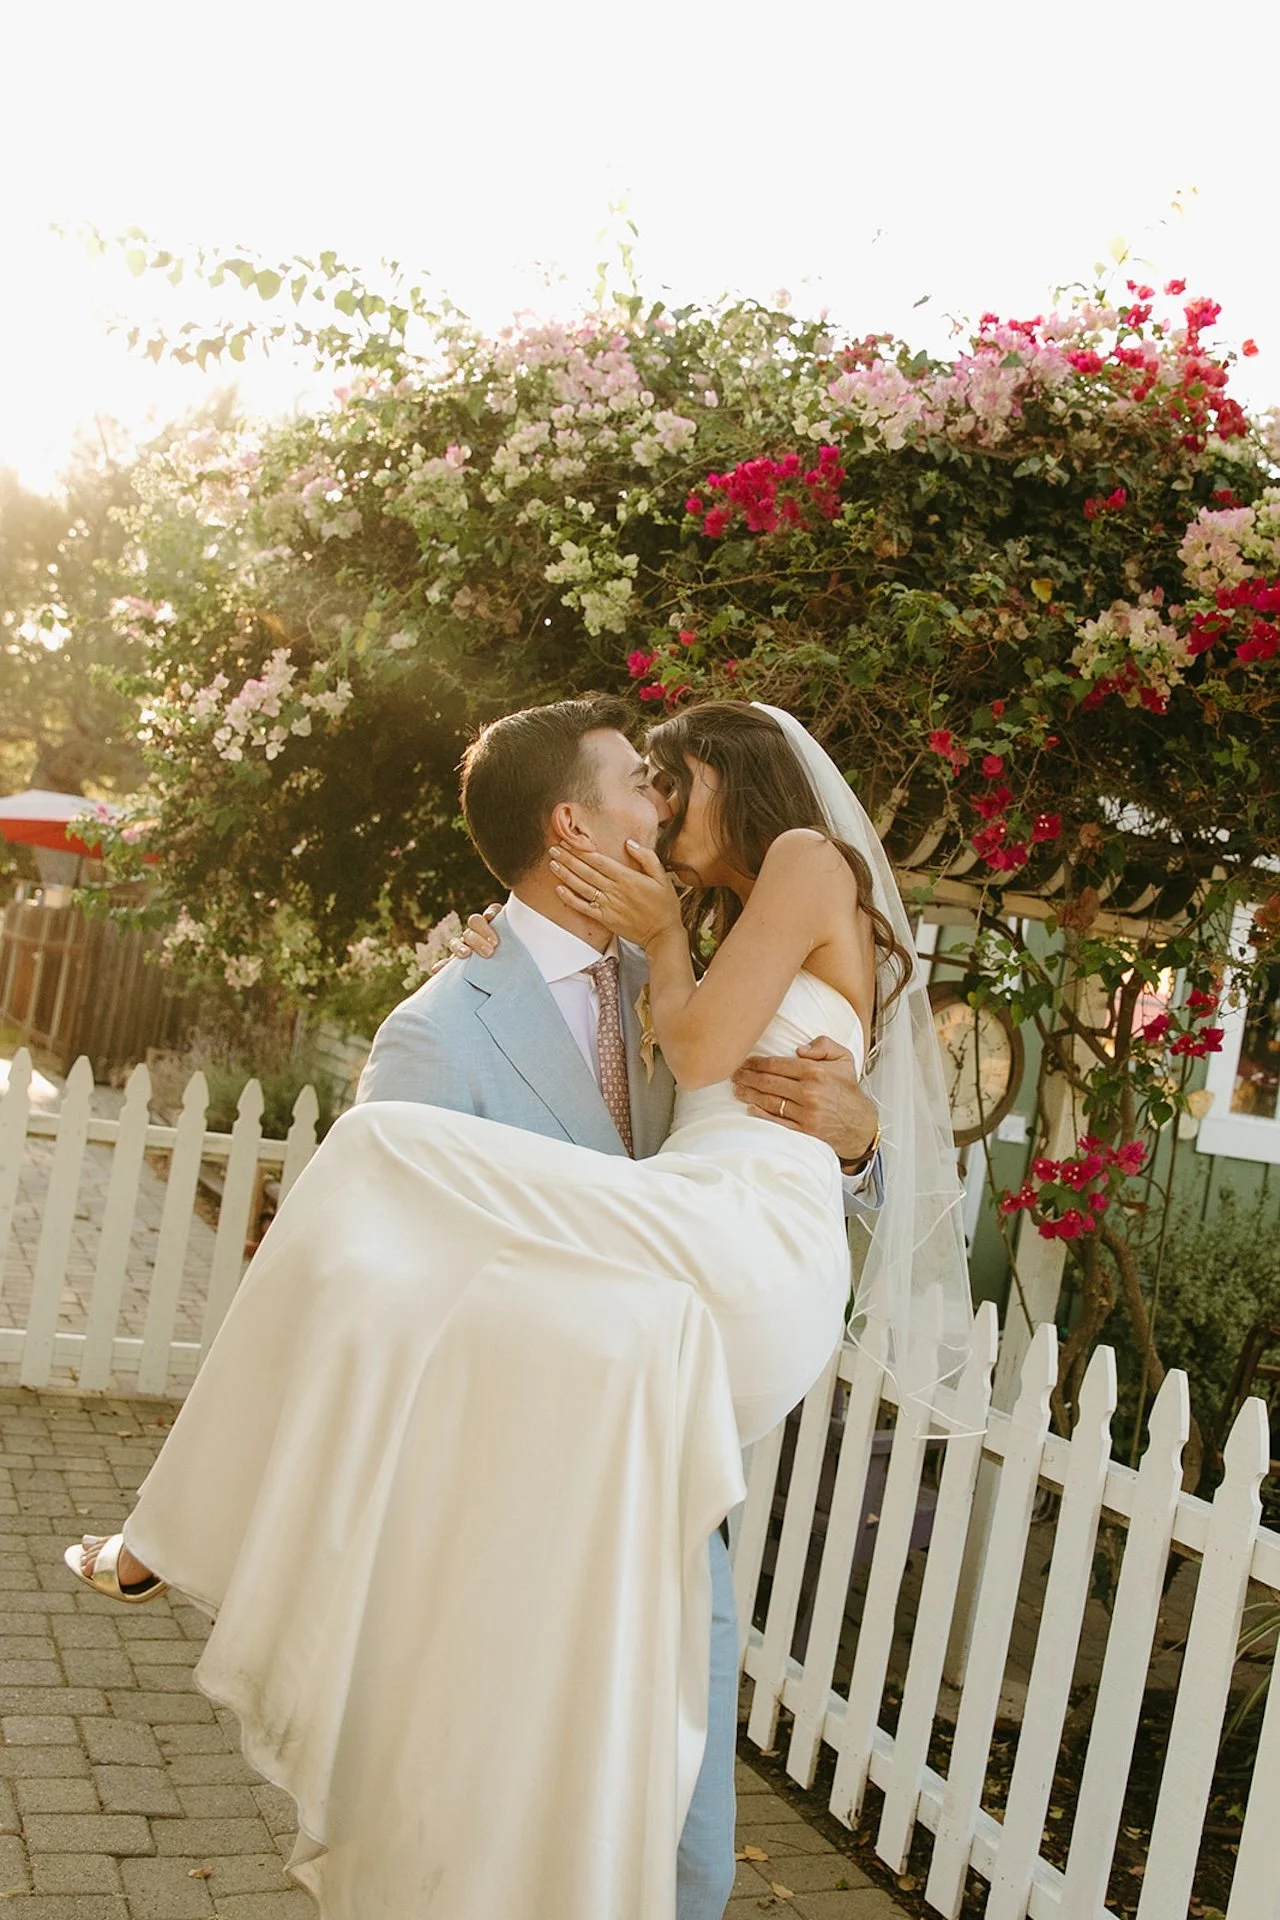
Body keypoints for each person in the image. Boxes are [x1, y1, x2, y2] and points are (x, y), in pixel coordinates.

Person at [64, 699, 970, 1920]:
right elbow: (389, 1298)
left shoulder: (721, 937)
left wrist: (855, 1136)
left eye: (668, 780)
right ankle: (178, 1533)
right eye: (634, 784)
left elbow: (733, 1082)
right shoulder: (452, 1021)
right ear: (569, 825)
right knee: (516, 1839)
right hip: (524, 1506)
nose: (653, 802)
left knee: (685, 1858)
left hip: (682, 1414)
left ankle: (165, 1539)